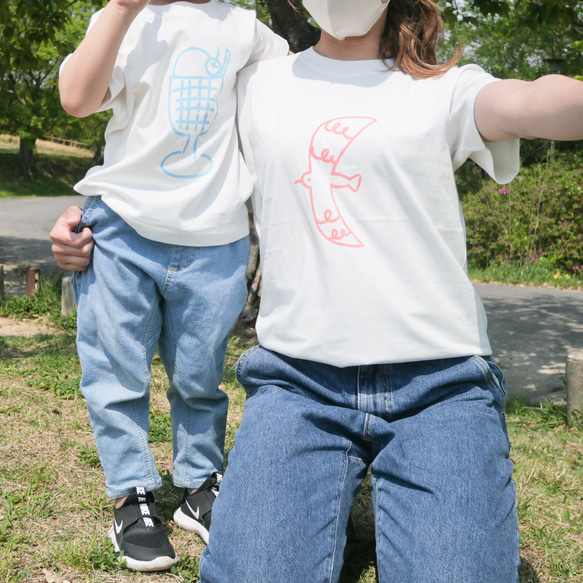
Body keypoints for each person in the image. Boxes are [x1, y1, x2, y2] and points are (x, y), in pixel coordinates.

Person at [51, 0, 583, 581]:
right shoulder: (256, 80)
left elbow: (534, 100)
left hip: (442, 384)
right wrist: (89, 217)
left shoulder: (445, 88)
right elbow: (163, 153)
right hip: (296, 385)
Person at [52, 0, 287, 572]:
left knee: (201, 376)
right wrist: (122, 8)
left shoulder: (241, 25)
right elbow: (77, 100)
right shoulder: (123, 17)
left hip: (215, 236)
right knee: (115, 373)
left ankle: (201, 485)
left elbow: (295, 91)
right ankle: (131, 496)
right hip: (123, 229)